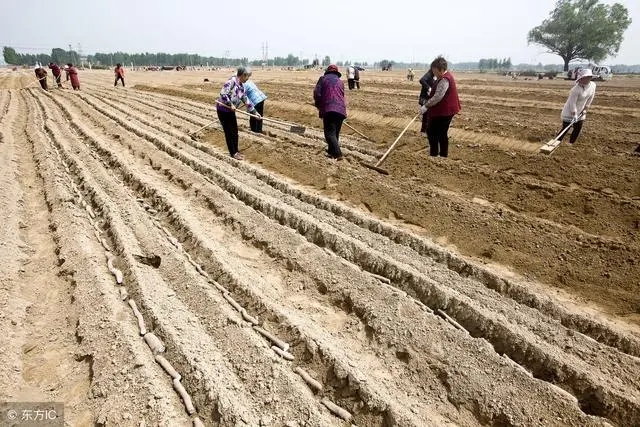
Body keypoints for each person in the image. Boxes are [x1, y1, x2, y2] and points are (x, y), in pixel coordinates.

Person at [216, 66, 261, 160]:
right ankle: (233, 153)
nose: (248, 79)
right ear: (243, 75)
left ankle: (236, 151)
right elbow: (223, 94)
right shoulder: (231, 82)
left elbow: (246, 100)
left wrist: (255, 112)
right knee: (229, 132)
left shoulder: (241, 86)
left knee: (235, 132)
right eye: (247, 76)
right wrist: (230, 104)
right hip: (223, 110)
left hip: (231, 111)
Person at [419, 56, 461, 157]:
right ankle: (438, 155)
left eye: (435, 71)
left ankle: (439, 156)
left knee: (436, 132)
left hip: (446, 111)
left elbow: (438, 96)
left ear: (441, 70)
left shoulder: (445, 79)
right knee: (435, 132)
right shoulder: (441, 77)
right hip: (443, 110)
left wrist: (426, 105)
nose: (434, 74)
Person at [313, 64, 347, 160]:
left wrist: (318, 104)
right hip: (341, 109)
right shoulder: (340, 82)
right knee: (335, 133)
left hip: (329, 108)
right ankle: (331, 152)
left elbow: (317, 93)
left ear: (327, 71)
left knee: (329, 134)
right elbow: (342, 95)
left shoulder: (323, 79)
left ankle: (338, 154)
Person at [558, 68, 596, 144]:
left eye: (585, 78)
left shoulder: (593, 86)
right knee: (565, 128)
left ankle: (570, 144)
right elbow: (572, 103)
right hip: (569, 112)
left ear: (589, 78)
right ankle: (557, 142)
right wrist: (574, 114)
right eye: (581, 78)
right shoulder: (575, 89)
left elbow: (591, 97)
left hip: (581, 111)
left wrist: (585, 109)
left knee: (578, 128)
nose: (582, 80)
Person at [418, 69, 436, 135]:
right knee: (426, 115)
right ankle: (423, 131)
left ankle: (429, 131)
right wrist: (428, 88)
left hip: (431, 99)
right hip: (425, 98)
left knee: (431, 115)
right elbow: (421, 80)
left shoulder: (437, 76)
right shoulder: (429, 74)